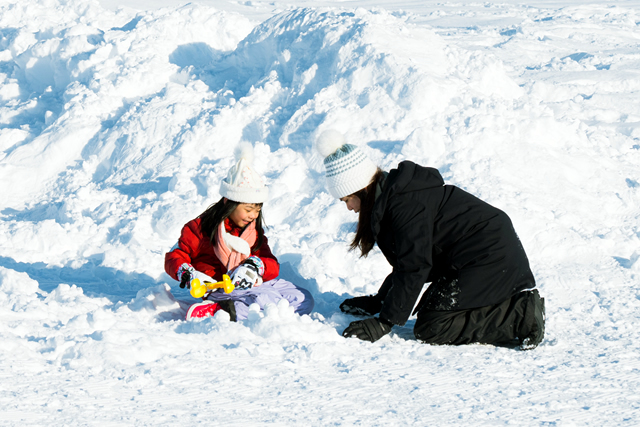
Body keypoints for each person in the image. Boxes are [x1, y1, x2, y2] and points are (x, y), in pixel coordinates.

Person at [316, 130, 545, 350]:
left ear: (364, 189)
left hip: (490, 257)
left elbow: (415, 266)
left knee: (433, 326)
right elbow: (408, 262)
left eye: (348, 199)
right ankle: (506, 308)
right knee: (433, 314)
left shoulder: (404, 205)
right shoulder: (392, 198)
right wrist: (379, 302)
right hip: (473, 256)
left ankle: (520, 314)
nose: (349, 207)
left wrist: (384, 322)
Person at [165, 143, 314, 321]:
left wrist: (255, 267)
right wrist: (188, 273)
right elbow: (175, 256)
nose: (253, 215)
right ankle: (218, 310)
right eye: (248, 209)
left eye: (258, 210)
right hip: (221, 288)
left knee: (303, 298)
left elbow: (272, 264)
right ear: (229, 202)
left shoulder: (253, 232)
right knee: (268, 302)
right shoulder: (200, 228)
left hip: (253, 284)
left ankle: (238, 310)